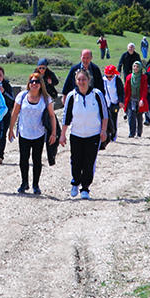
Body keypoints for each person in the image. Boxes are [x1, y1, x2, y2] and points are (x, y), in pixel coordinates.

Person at [60, 69, 108, 200]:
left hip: (93, 134)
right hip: (76, 133)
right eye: (79, 80)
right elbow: (66, 116)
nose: (81, 82)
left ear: (89, 80)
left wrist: (103, 130)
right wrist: (62, 134)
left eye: (84, 79)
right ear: (76, 81)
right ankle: (75, 182)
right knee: (76, 160)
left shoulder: (97, 94)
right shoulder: (71, 96)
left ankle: (85, 188)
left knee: (89, 161)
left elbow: (104, 114)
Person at [8, 72, 59, 195]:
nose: (34, 84)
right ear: (28, 84)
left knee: (37, 160)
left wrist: (54, 133)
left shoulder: (46, 99)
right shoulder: (22, 96)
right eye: (32, 82)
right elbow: (14, 113)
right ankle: (24, 183)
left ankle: (36, 185)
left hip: (39, 134)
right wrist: (10, 130)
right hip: (24, 133)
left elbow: (52, 116)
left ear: (41, 84)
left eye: (37, 82)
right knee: (23, 159)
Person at [0, 66, 16, 165]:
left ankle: (0, 155)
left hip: (5, 114)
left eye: (0, 75)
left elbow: (12, 101)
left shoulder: (7, 85)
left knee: (2, 134)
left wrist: (4, 92)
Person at [124, 60, 149, 138]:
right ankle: (132, 133)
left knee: (139, 117)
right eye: (134, 66)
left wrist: (142, 99)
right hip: (131, 100)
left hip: (139, 100)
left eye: (137, 66)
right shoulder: (129, 77)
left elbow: (145, 90)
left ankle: (139, 132)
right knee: (131, 116)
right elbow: (126, 90)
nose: (136, 68)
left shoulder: (143, 78)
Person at [101, 64, 124, 147]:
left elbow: (121, 91)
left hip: (114, 103)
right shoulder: (102, 80)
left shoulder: (117, 80)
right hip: (105, 103)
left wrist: (121, 101)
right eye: (107, 76)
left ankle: (113, 136)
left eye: (110, 76)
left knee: (114, 119)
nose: (109, 78)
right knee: (104, 120)